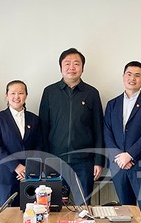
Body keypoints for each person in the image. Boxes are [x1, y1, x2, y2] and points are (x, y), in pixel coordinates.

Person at [39, 48, 104, 204]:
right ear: (61, 67)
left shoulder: (91, 93)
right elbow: (43, 129)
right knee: (55, 207)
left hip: (84, 161)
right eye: (67, 63)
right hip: (56, 160)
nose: (71, 67)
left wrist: (99, 161)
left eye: (76, 64)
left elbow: (98, 129)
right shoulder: (49, 92)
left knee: (84, 206)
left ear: (82, 68)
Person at [104, 61, 141, 223]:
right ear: (123, 77)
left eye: (137, 75)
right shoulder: (112, 104)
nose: (132, 78)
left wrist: (129, 155)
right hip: (118, 165)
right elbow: (107, 132)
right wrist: (119, 157)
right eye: (129, 74)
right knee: (124, 210)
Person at [0, 80, 42, 206]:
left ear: (26, 95)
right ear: (6, 96)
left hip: (29, 176)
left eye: (20, 93)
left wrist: (29, 169)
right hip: (5, 176)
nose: (16, 97)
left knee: (31, 212)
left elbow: (39, 146)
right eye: (12, 93)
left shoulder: (34, 119)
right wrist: (16, 166)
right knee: (8, 214)